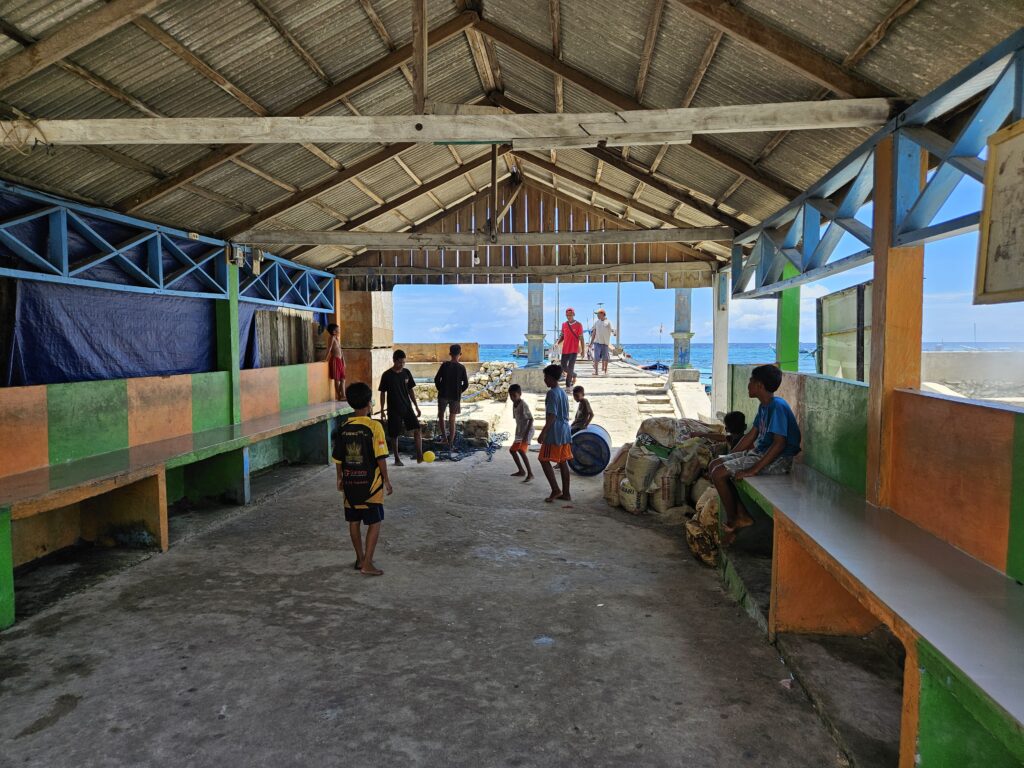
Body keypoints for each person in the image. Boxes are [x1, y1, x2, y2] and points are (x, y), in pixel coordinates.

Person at [708, 365, 801, 542]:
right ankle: (741, 514)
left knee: (719, 474)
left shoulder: (778, 407)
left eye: (750, 381)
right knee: (715, 465)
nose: (748, 385)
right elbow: (751, 436)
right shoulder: (764, 407)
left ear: (759, 385)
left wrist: (753, 470)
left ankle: (733, 519)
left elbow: (779, 444)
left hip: (779, 460)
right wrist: (729, 457)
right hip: (760, 453)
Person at [333, 382, 392, 577]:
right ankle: (368, 563)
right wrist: (387, 480)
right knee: (374, 522)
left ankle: (360, 558)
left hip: (350, 483)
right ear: (369, 403)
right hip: (371, 485)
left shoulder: (343, 427)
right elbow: (380, 456)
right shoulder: (375, 426)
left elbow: (338, 458)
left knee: (354, 520)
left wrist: (339, 478)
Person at [378, 349, 423, 466]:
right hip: (393, 409)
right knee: (394, 435)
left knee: (417, 429)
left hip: (407, 407)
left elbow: (410, 391)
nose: (401, 365)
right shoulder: (387, 375)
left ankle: (419, 455)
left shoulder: (406, 373)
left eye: (403, 362)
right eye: (399, 362)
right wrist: (382, 411)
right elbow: (382, 393)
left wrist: (416, 407)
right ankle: (397, 459)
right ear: (394, 361)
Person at [537, 363, 573, 503]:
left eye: (546, 377)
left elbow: (552, 416)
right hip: (565, 430)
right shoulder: (562, 392)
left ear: (551, 378)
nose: (545, 380)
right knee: (563, 462)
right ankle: (566, 493)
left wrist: (543, 433)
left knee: (543, 459)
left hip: (555, 432)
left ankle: (555, 489)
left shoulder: (552, 393)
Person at [434, 344, 469, 452]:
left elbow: (436, 379)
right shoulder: (461, 368)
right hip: (455, 397)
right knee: (452, 420)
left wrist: (441, 389)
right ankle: (451, 444)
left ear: (450, 354)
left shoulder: (444, 365)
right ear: (460, 354)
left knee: (441, 416)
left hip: (443, 395)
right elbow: (466, 384)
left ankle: (444, 438)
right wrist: (458, 391)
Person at [508, 383, 534, 482]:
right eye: (510, 396)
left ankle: (530, 473)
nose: (512, 398)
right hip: (520, 431)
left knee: (521, 451)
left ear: (520, 394)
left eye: (514, 395)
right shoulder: (514, 404)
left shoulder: (523, 405)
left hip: (527, 430)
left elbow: (531, 419)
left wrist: (526, 435)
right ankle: (521, 470)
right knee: (512, 450)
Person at [556, 308, 585, 391]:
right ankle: (574, 375)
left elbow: (581, 338)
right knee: (563, 366)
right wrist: (557, 342)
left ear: (573, 315)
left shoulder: (579, 325)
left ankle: (568, 385)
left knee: (570, 367)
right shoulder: (564, 324)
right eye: (567, 315)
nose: (569, 317)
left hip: (574, 349)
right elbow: (562, 336)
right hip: (565, 349)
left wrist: (582, 350)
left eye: (570, 315)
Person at [589, 308, 616, 375]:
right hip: (597, 342)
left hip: (605, 343)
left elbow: (612, 329)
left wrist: (614, 333)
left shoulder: (608, 322)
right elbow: (594, 333)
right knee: (596, 357)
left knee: (605, 358)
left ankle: (605, 371)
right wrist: (591, 343)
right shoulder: (597, 322)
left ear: (602, 314)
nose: (597, 315)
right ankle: (596, 372)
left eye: (598, 314)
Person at [325, 323, 346, 401]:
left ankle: (343, 395)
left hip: (340, 360)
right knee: (337, 379)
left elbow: (340, 350)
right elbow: (329, 349)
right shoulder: (331, 338)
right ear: (334, 331)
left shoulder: (337, 338)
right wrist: (325, 359)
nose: (339, 331)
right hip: (335, 360)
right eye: (338, 330)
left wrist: (343, 361)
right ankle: (339, 396)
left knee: (343, 378)